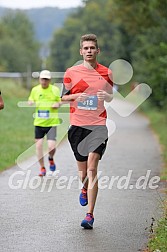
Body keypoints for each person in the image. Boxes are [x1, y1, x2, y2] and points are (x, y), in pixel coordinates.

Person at [61, 34, 113, 229]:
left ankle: (89, 215)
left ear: (97, 51)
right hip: (77, 127)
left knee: (92, 169)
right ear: (81, 51)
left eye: (92, 48)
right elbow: (63, 98)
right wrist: (77, 96)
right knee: (83, 173)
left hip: (98, 125)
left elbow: (110, 97)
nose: (89, 51)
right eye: (86, 48)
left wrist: (106, 95)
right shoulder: (71, 72)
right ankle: (84, 188)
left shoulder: (107, 72)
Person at [28, 70, 61, 176]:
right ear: (39, 79)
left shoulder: (55, 89)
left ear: (49, 80)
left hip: (51, 122)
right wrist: (31, 102)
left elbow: (60, 100)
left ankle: (51, 158)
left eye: (46, 79)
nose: (44, 81)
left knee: (51, 147)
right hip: (39, 123)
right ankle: (42, 167)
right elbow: (31, 99)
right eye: (42, 79)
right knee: (38, 146)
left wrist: (57, 104)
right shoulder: (35, 90)